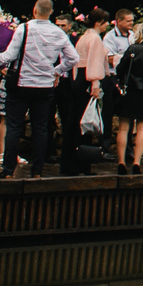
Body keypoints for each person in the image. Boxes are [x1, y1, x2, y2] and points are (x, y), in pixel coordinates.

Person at [0, 0, 75, 180]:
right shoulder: (59, 32)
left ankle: (8, 170)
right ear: (51, 12)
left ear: (34, 10)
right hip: (44, 86)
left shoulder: (24, 29)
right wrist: (56, 71)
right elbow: (73, 58)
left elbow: (11, 55)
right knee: (41, 128)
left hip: (22, 82)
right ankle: (37, 171)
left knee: (14, 126)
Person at [107, 19, 143, 174]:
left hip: (130, 92)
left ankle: (121, 161)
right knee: (142, 128)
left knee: (124, 128)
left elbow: (120, 69)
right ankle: (137, 162)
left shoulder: (132, 49)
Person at [63, 10, 109, 176]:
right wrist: (96, 84)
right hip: (88, 79)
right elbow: (95, 62)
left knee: (74, 121)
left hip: (79, 79)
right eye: (105, 22)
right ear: (99, 22)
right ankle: (82, 165)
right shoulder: (95, 39)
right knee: (85, 124)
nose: (107, 25)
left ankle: (69, 163)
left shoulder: (83, 37)